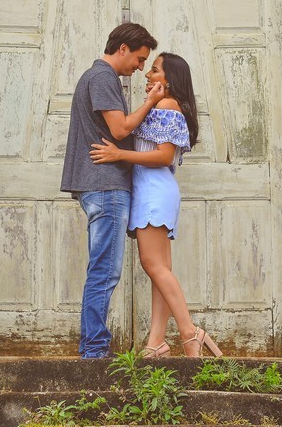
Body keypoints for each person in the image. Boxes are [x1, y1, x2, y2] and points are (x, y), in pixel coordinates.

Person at [89, 52, 222, 359]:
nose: (148, 74)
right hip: (156, 189)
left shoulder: (166, 106)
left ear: (170, 80)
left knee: (153, 265)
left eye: (155, 70)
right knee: (161, 268)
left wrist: (118, 155)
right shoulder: (161, 106)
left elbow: (163, 156)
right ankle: (156, 342)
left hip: (153, 190)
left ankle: (190, 333)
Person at [61, 22, 166, 359]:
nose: (140, 67)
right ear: (122, 49)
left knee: (102, 268)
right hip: (105, 186)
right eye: (139, 58)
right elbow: (120, 129)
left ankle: (92, 346)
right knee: (105, 270)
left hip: (101, 186)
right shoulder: (102, 77)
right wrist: (150, 102)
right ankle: (94, 350)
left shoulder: (99, 77)